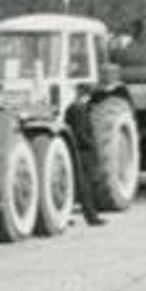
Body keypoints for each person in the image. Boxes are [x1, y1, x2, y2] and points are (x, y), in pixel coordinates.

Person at [62, 84, 107, 227]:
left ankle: (66, 216)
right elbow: (81, 134)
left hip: (74, 150)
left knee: (75, 186)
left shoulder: (71, 107)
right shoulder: (80, 109)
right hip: (83, 152)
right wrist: (93, 146)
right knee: (85, 187)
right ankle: (91, 217)